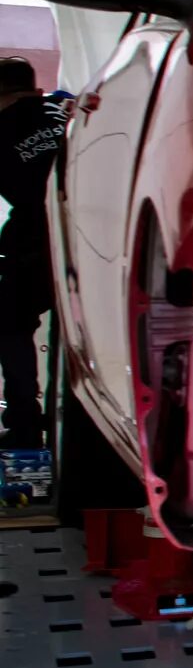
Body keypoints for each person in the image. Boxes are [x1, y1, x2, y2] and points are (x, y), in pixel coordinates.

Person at [0, 59, 66, 449]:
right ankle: (68, 416)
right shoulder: (63, 109)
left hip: (38, 240)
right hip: (93, 236)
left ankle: (25, 425)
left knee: (9, 323)